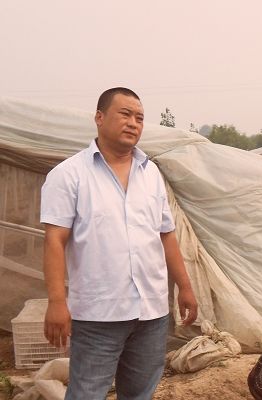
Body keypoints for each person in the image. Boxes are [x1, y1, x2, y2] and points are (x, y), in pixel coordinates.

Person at [41, 87, 198, 400]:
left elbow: (166, 234)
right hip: (99, 314)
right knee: (86, 392)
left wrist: (185, 287)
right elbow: (55, 240)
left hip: (151, 311)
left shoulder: (150, 174)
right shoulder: (69, 175)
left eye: (139, 118)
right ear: (99, 118)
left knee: (140, 393)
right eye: (125, 114)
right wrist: (57, 301)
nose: (133, 123)